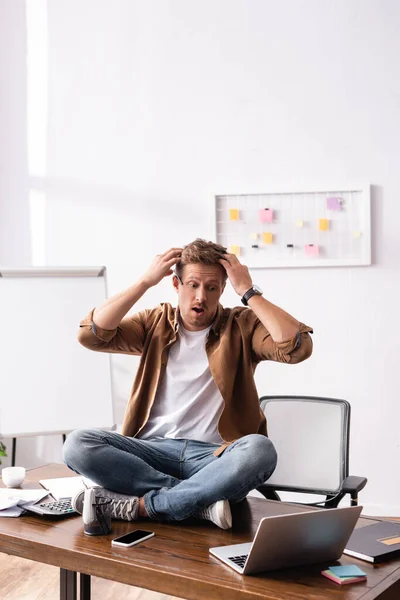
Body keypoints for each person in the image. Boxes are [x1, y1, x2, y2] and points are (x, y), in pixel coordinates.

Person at [63, 239, 313, 529]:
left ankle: (146, 506)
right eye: (192, 285)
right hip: (151, 452)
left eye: (211, 287)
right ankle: (196, 503)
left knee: (260, 451)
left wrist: (247, 290)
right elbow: (91, 334)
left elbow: (297, 347)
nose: (200, 297)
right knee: (78, 445)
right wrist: (145, 281)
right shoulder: (155, 322)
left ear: (222, 289)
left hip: (213, 457)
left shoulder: (241, 325)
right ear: (176, 284)